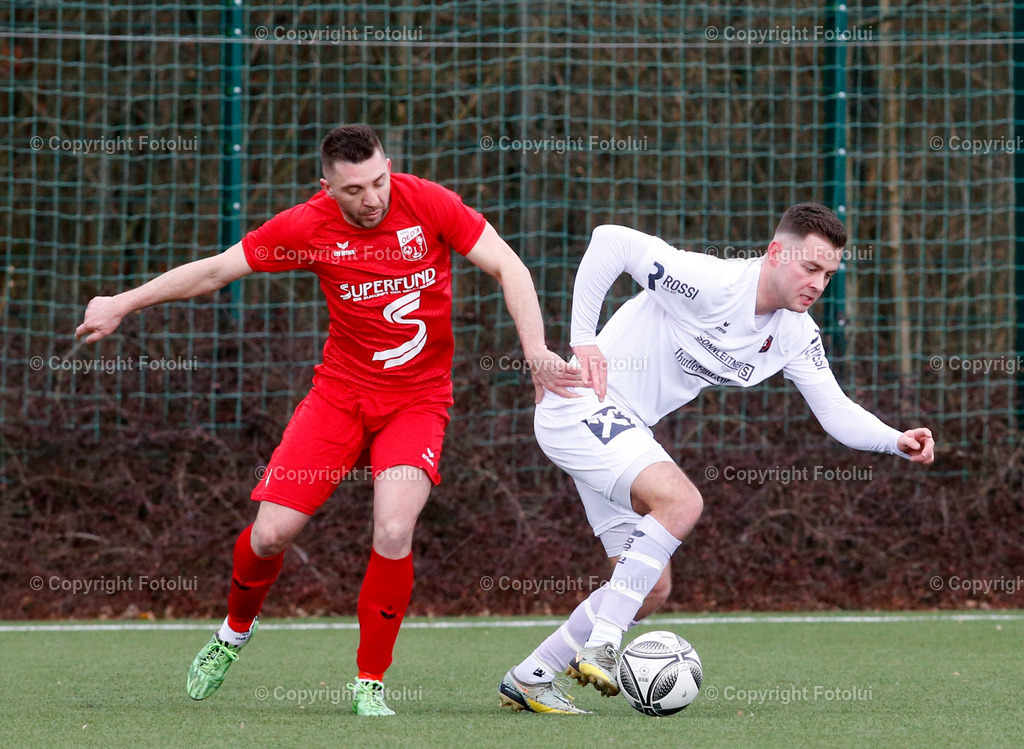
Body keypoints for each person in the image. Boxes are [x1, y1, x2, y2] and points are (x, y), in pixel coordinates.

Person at [75, 123, 580, 717]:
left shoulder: (429, 202)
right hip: (339, 397)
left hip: (418, 401)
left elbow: (510, 267)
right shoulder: (307, 226)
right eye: (353, 191)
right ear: (327, 188)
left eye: (378, 182)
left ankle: (370, 683)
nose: (371, 199)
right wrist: (123, 302)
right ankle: (235, 631)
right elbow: (215, 271)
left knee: (393, 530)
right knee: (270, 536)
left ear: (390, 166)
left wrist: (536, 351)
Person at [498, 203, 935, 714]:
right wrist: (583, 341)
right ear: (775, 253)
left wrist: (894, 438)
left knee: (648, 588)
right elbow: (610, 241)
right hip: (582, 406)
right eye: (810, 268)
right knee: (681, 502)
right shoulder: (709, 282)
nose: (819, 284)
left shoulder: (795, 333)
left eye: (829, 275)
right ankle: (601, 644)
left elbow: (835, 409)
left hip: (623, 430)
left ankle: (531, 678)